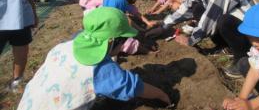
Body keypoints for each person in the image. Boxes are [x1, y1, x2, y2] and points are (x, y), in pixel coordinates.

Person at [17, 7, 171, 110]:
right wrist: (162, 95)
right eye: (124, 40)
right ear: (112, 41)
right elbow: (134, 87)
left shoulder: (63, 46)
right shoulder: (99, 69)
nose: (125, 44)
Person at [153, 0, 256, 76]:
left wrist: (190, 40)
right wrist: (164, 25)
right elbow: (186, 8)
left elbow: (211, 16)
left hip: (252, 34)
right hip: (237, 29)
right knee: (198, 9)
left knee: (224, 20)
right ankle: (224, 45)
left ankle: (242, 59)